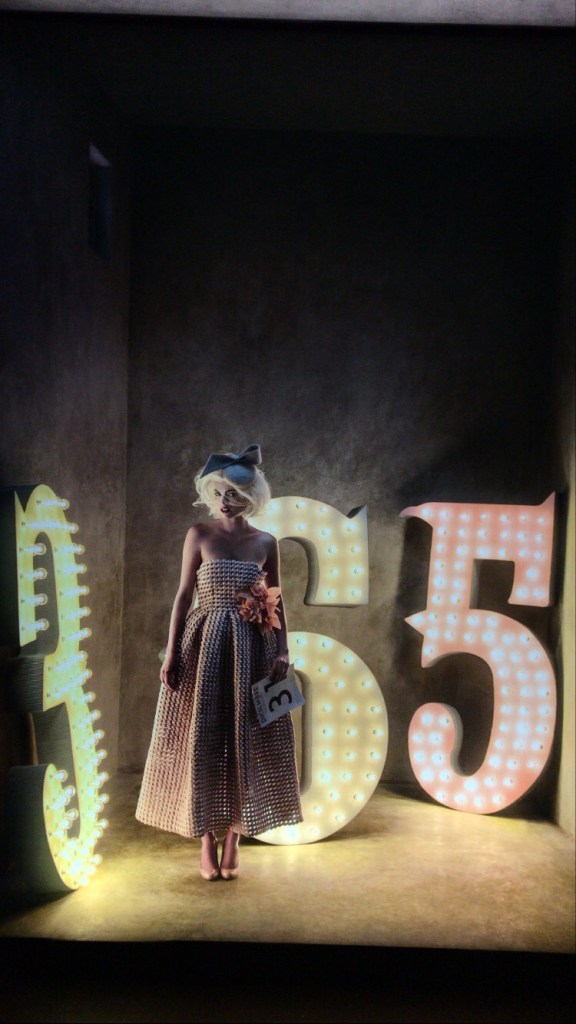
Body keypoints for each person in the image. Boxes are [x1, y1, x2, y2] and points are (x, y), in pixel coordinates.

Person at [136, 444, 303, 880]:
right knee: (204, 736)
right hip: (205, 643)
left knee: (245, 737)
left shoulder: (265, 542)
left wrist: (283, 649)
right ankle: (206, 837)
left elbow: (276, 599)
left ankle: (234, 834)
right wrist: (172, 651)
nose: (224, 501)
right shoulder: (199, 534)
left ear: (250, 498)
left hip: (252, 646)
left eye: (234, 494)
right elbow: (183, 597)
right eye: (219, 493)